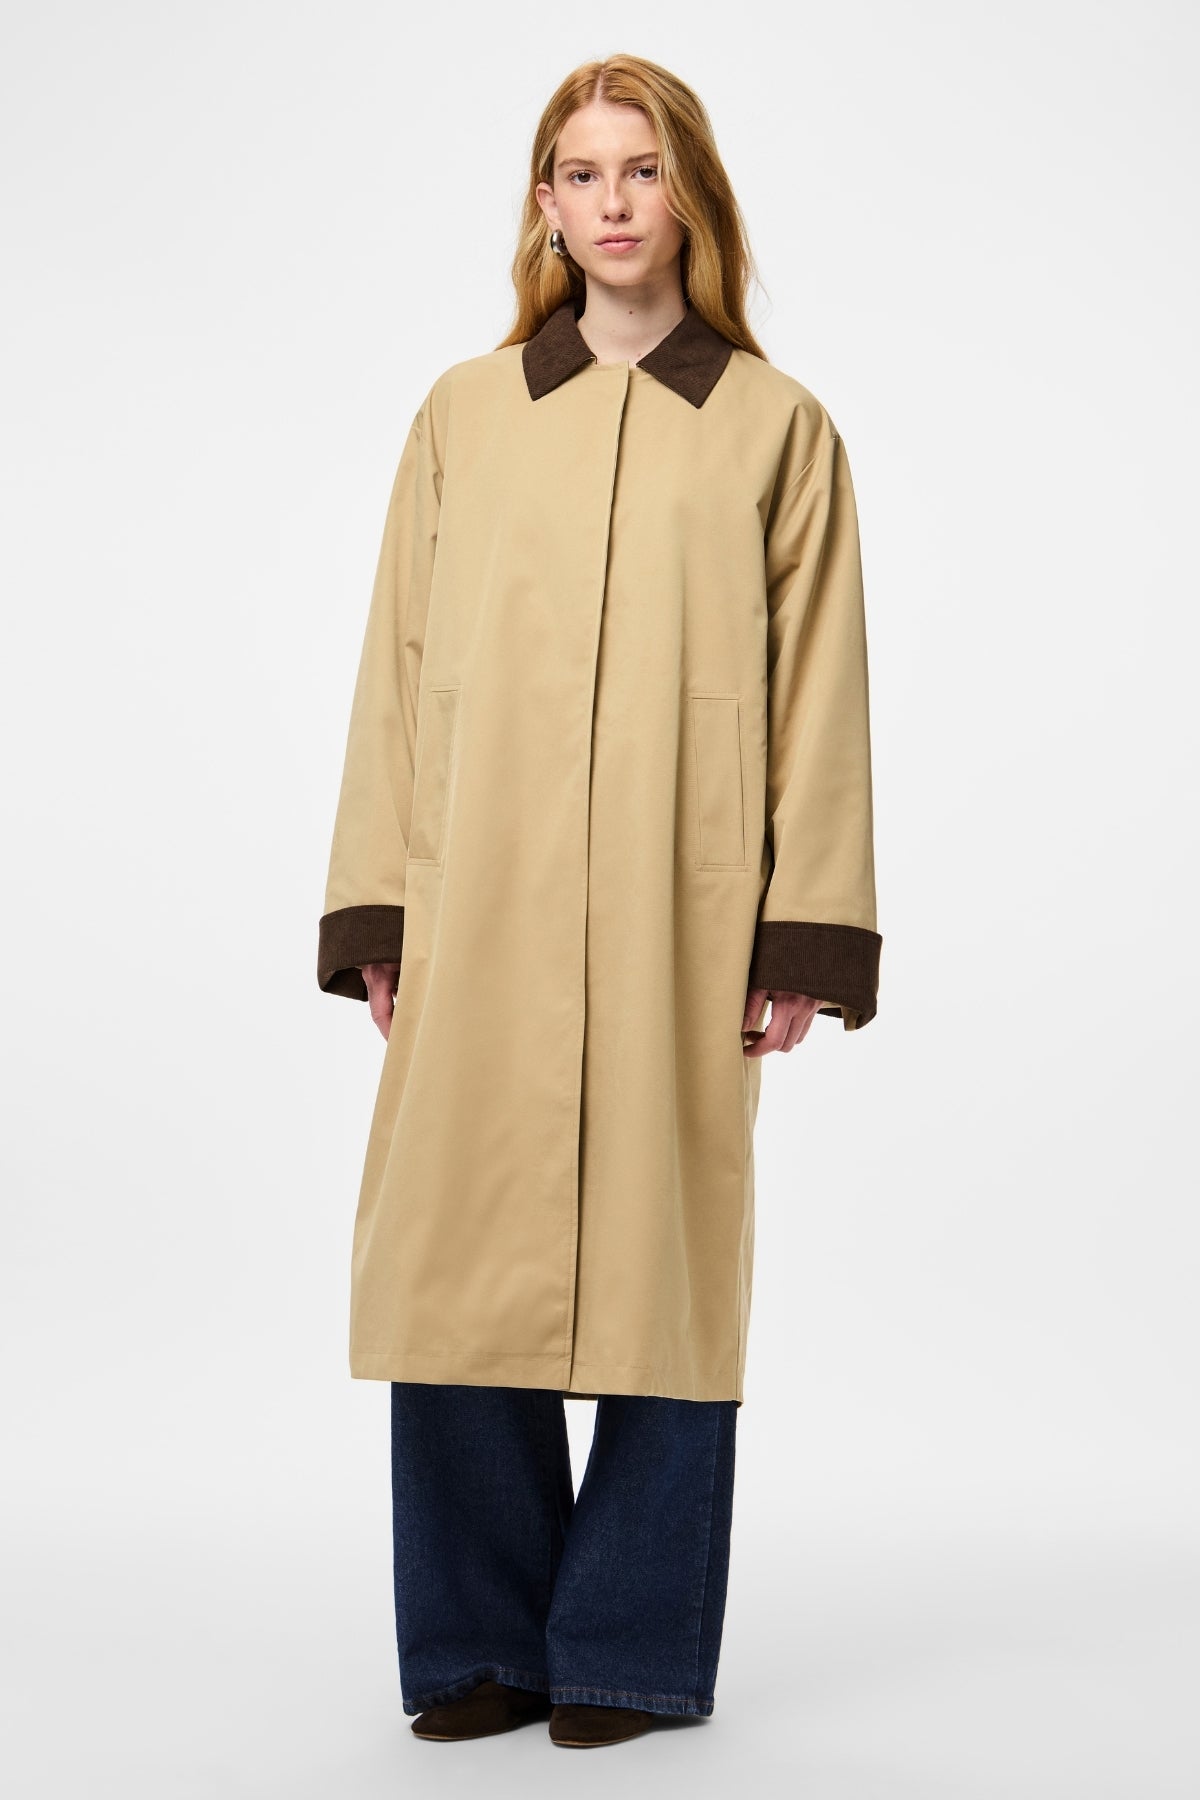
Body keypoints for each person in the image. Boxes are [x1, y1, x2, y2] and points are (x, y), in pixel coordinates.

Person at [317, 53, 881, 1751]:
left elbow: (820, 700)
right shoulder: (466, 414)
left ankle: (628, 1648)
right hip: (477, 896)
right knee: (452, 1259)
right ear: (546, 206)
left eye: (643, 169)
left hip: (678, 911)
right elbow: (398, 668)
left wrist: (804, 927)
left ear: (691, 194)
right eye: (582, 171)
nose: (614, 201)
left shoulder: (777, 428)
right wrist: (378, 910)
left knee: (666, 1266)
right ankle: (478, 1644)